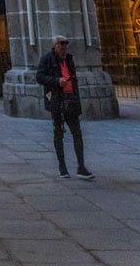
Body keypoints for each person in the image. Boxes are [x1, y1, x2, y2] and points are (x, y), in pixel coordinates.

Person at [35, 35, 95, 180]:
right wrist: (56, 81)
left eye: (65, 47)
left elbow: (73, 77)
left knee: (77, 133)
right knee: (58, 133)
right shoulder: (46, 59)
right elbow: (39, 77)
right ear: (55, 46)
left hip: (71, 100)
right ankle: (62, 167)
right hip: (57, 101)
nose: (64, 50)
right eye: (61, 47)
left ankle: (81, 166)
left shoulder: (69, 59)